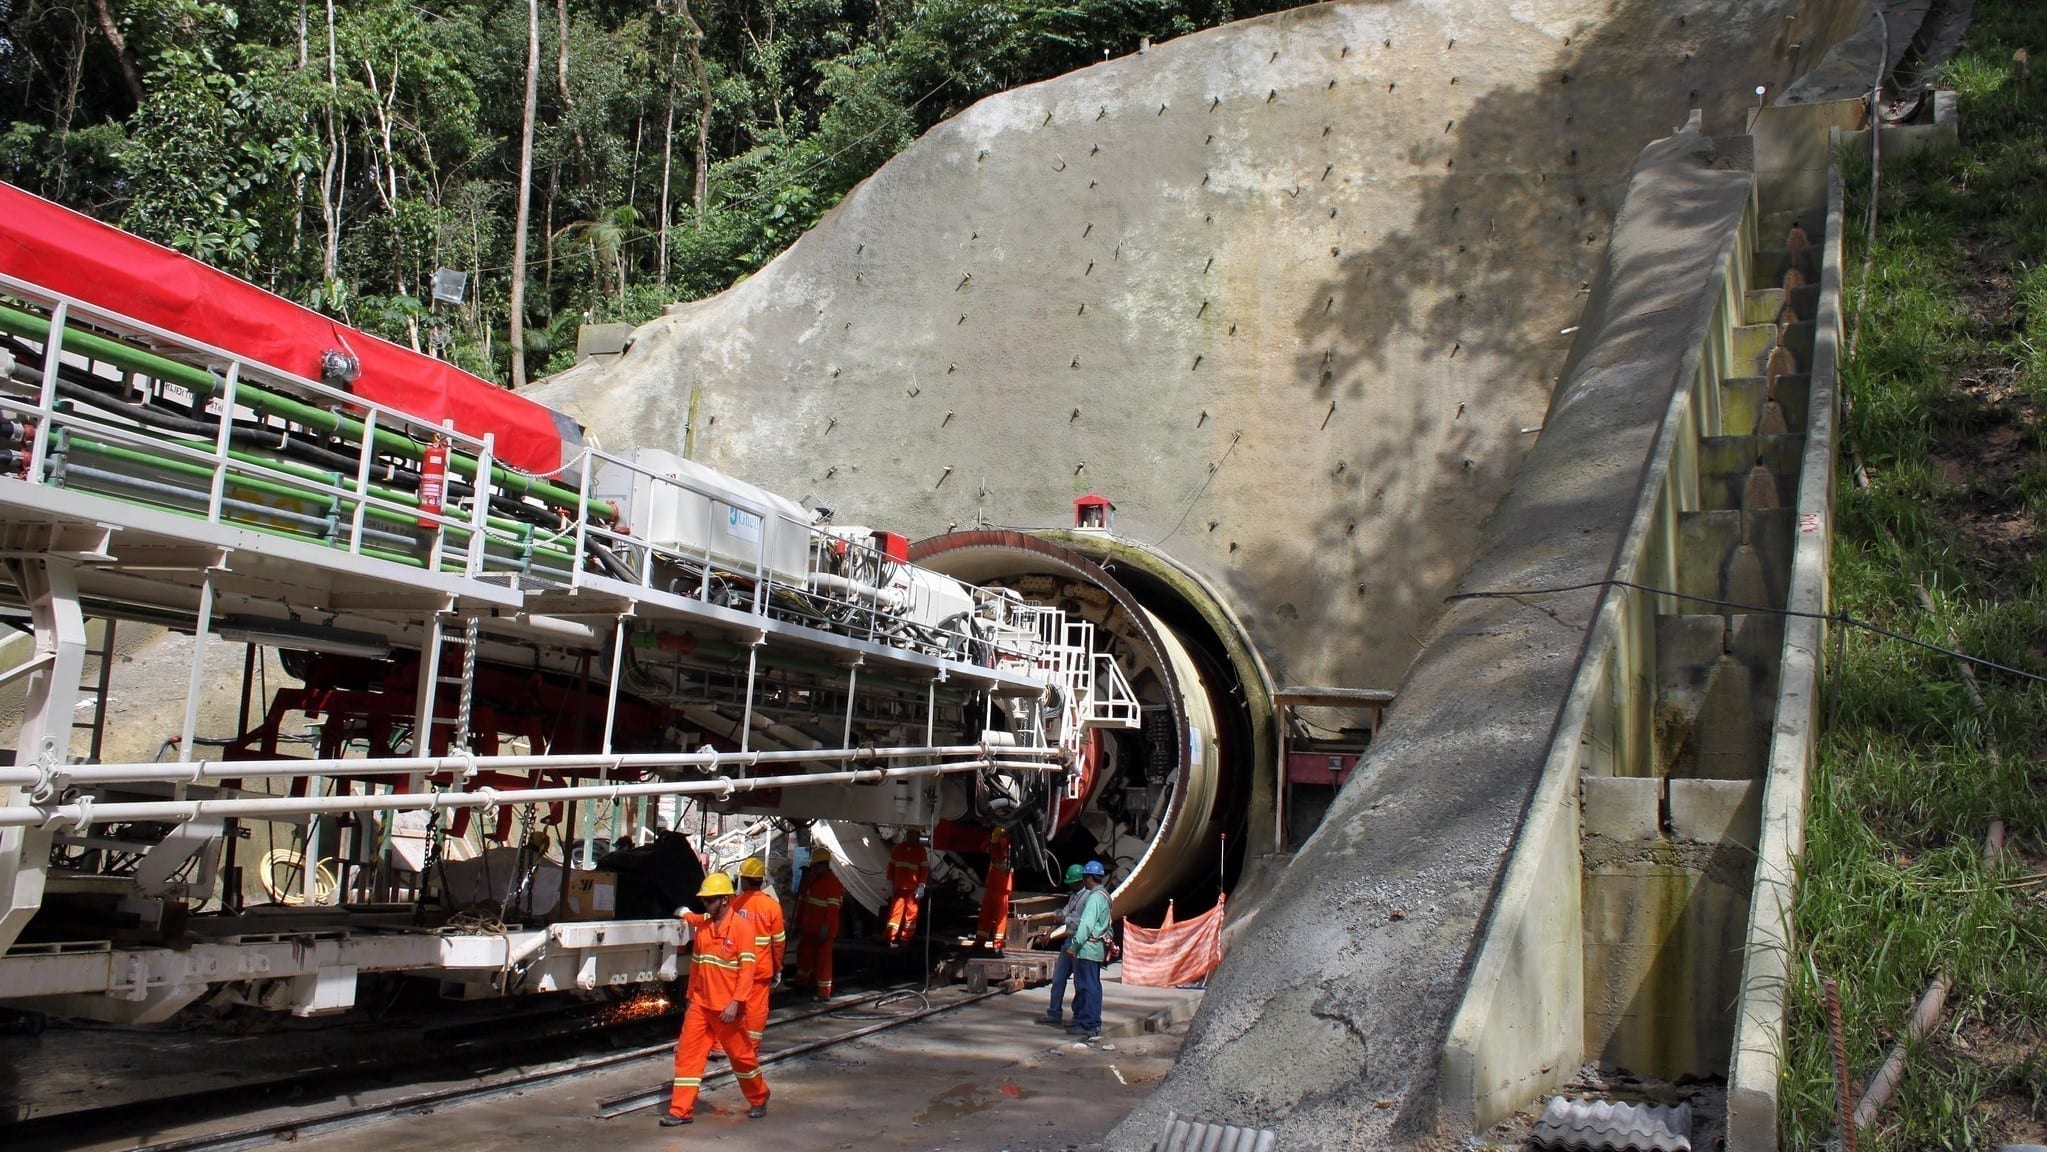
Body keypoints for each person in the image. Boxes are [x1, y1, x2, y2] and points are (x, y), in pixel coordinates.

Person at [663, 872, 769, 1127]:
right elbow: (698, 966)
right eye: (704, 901)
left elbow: (747, 970)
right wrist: (690, 999)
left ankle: (759, 1097)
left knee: (741, 1056)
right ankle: (680, 1111)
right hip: (701, 1005)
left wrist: (736, 1002)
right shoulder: (705, 927)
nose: (706, 905)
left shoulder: (742, 929)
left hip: (726, 1008)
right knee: (688, 1056)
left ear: (724, 900)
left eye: (710, 900)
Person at [732, 857, 786, 1052]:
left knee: (735, 1006)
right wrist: (778, 967)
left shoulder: (735, 904)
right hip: (761, 968)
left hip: (737, 968)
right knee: (756, 1009)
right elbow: (778, 943)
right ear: (761, 881)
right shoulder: (772, 906)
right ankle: (750, 1048)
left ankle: (727, 1045)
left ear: (744, 880)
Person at [1037, 863, 1088, 1028]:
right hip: (1068, 942)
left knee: (1080, 983)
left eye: (1072, 882)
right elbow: (1063, 913)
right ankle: (1054, 1013)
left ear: (1079, 881)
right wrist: (1050, 932)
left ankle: (1078, 1016)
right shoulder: (1074, 897)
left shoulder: (1088, 898)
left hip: (1079, 943)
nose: (1070, 885)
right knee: (1058, 979)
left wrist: (1063, 919)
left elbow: (1080, 921)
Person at [1067, 860, 1113, 1040]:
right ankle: (1088, 1021)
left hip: (1087, 949)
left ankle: (1089, 1024)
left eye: (1084, 877)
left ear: (1088, 878)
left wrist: (1074, 946)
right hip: (1097, 948)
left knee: (1086, 987)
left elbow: (1085, 925)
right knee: (1093, 985)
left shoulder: (1094, 898)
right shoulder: (1105, 895)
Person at [792, 856, 844, 1000]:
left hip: (824, 929)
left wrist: (825, 927)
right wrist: (798, 922)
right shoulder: (811, 880)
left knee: (823, 959)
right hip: (809, 927)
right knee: (805, 954)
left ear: (824, 865)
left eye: (815, 867)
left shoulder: (833, 882)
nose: (813, 870)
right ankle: (802, 980)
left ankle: (824, 991)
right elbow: (803, 901)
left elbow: (832, 909)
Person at [972, 827, 1014, 952]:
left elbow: (1003, 852)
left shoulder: (1007, 848)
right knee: (986, 916)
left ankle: (997, 944)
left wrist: (998, 841)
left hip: (1001, 888)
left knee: (998, 918)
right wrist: (991, 839)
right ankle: (980, 942)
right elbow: (983, 848)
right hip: (993, 887)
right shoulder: (996, 847)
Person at [884, 829, 929, 947]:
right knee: (895, 913)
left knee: (911, 914)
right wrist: (889, 881)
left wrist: (921, 885)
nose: (911, 837)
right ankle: (892, 937)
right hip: (899, 887)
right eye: (910, 834)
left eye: (913, 835)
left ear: (917, 836)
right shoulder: (898, 849)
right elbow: (891, 866)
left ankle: (906, 938)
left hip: (912, 890)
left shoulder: (921, 851)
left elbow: (924, 870)